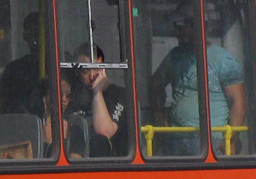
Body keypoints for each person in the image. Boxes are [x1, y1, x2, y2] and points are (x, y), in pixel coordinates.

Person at [149, 12, 245, 156]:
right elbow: (156, 83)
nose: (177, 33)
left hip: (213, 139)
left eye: (181, 27)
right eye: (175, 28)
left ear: (200, 27)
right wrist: (160, 117)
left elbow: (239, 102)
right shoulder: (175, 56)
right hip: (176, 136)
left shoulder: (223, 60)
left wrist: (230, 140)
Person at [67, 43, 129, 157]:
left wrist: (97, 91)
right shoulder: (73, 96)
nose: (92, 76)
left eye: (96, 68)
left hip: (111, 162)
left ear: (104, 68)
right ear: (77, 72)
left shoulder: (119, 95)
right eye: (85, 71)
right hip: (78, 158)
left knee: (99, 141)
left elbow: (104, 133)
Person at [0, 12, 46, 118]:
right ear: (25, 36)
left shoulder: (61, 66)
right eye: (33, 34)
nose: (37, 40)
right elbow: (6, 105)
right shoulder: (14, 70)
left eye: (39, 33)